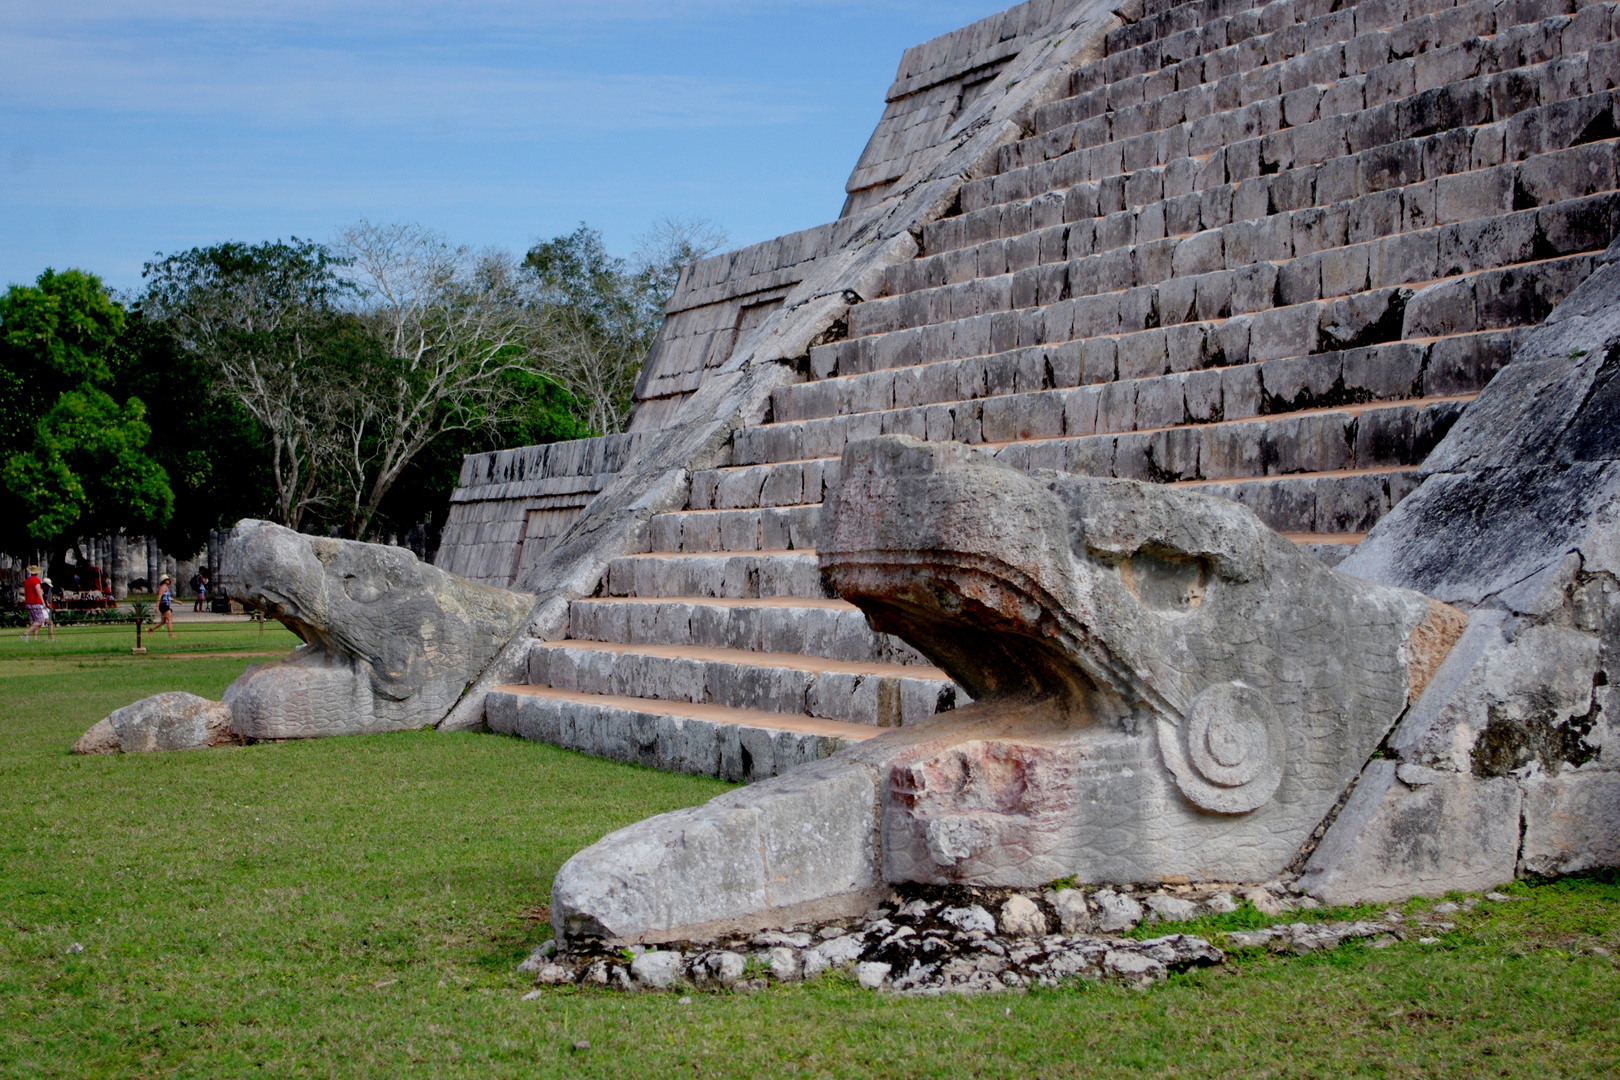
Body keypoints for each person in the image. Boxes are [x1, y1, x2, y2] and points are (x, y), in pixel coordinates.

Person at [21, 565, 53, 643]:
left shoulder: (27, 581)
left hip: (28, 602)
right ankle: (25, 633)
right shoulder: (36, 581)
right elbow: (38, 591)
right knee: (40, 620)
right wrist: (43, 602)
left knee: (35, 621)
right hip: (35, 602)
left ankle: (34, 639)